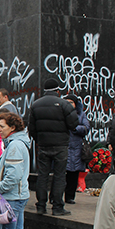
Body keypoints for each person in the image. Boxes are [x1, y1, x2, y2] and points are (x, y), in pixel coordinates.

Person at [27, 78, 79, 215]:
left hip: (43, 145)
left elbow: (31, 128)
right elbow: (74, 124)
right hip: (60, 145)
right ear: (57, 90)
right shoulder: (64, 104)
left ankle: (41, 205)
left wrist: (39, 140)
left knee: (42, 175)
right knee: (59, 176)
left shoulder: (36, 105)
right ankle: (57, 206)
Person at [63, 95, 90, 205]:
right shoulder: (61, 113)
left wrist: (74, 128)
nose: (69, 104)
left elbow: (86, 128)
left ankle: (70, 196)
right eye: (67, 102)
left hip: (75, 147)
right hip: (63, 145)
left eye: (71, 102)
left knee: (73, 173)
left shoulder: (81, 114)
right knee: (60, 174)